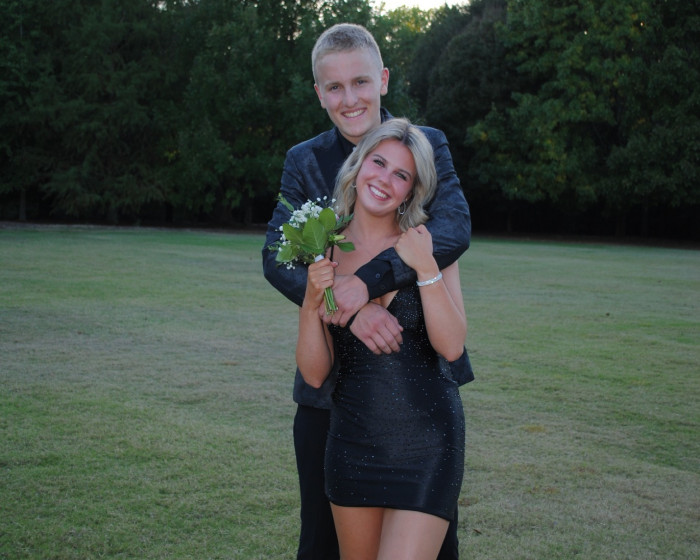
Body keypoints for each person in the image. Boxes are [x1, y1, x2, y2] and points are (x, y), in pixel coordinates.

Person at [262, 23, 472, 560]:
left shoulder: (426, 143)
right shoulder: (304, 160)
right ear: (319, 94)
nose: (349, 98)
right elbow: (277, 257)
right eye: (334, 87)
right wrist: (346, 309)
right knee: (320, 544)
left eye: (360, 82)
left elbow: (452, 230)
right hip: (333, 400)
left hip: (420, 400)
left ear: (382, 80)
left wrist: (367, 282)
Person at [298, 118, 467, 560]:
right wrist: (311, 301)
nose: (385, 180)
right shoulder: (325, 248)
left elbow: (452, 346)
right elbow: (314, 374)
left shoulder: (429, 243)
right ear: (358, 164)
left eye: (401, 174)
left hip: (427, 444)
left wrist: (425, 267)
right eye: (379, 163)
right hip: (352, 441)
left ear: (411, 190)